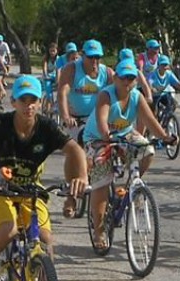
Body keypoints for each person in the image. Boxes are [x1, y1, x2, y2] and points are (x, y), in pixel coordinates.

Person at [0, 75, 88, 281]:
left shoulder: (46, 127)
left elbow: (75, 150)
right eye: (23, 100)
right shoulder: (1, 123)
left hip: (31, 189)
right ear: (13, 102)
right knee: (9, 228)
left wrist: (81, 177)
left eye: (33, 100)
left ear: (40, 102)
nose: (28, 105)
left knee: (45, 239)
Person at [82, 60, 177, 249]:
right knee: (102, 179)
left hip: (125, 134)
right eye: (123, 77)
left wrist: (166, 137)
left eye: (131, 78)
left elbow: (150, 121)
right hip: (98, 137)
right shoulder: (106, 95)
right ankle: (99, 230)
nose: (127, 82)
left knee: (147, 151)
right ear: (115, 78)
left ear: (135, 81)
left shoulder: (136, 96)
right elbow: (102, 120)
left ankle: (130, 187)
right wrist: (106, 138)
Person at [57, 39, 114, 218]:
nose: (94, 62)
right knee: (75, 151)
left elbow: (118, 94)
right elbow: (63, 93)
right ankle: (71, 196)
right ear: (82, 55)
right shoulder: (72, 69)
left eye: (98, 58)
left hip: (98, 119)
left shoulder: (107, 73)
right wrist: (66, 116)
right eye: (91, 58)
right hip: (76, 119)